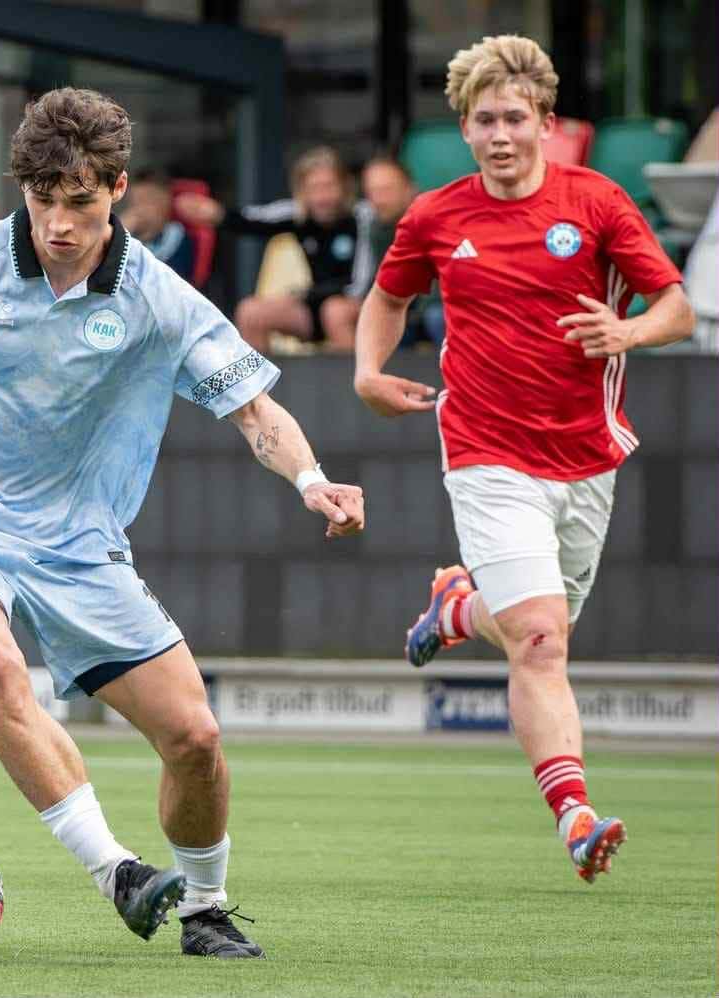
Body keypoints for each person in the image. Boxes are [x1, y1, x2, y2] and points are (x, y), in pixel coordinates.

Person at [0, 87, 364, 960]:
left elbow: (255, 412)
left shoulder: (160, 300)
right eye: (42, 200)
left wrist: (312, 479)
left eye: (79, 200)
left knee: (194, 738)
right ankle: (116, 870)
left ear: (118, 189)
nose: (58, 224)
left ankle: (205, 910)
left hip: (75, 545)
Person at [353, 35, 694, 884]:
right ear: (465, 129)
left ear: (546, 122)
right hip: (485, 450)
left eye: (514, 118)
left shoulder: (598, 201)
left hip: (586, 455)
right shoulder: (437, 216)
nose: (500, 135)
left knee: (538, 627)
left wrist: (629, 331)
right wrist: (367, 372)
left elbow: (677, 306)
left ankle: (457, 608)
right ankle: (575, 814)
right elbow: (388, 298)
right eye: (483, 121)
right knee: (540, 642)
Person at [180, 146, 370, 352]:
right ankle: (257, 375)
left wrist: (306, 294)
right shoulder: (298, 215)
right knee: (250, 312)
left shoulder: (362, 218)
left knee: (334, 312)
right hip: (315, 306)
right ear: (302, 192)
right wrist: (216, 214)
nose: (322, 197)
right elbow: (255, 220)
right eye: (314, 188)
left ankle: (356, 373)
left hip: (361, 307)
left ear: (344, 187)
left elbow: (360, 284)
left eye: (328, 186)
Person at [356, 156, 441, 349]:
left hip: (435, 306)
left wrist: (406, 313)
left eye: (386, 190)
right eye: (372, 192)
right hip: (403, 307)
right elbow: (381, 280)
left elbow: (441, 283)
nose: (379, 200)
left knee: (435, 316)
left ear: (410, 189)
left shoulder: (431, 219)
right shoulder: (376, 228)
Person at [119, 170, 196, 284]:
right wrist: (120, 234)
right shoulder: (128, 236)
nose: (138, 209)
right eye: (134, 203)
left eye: (145, 201)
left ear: (165, 202)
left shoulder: (178, 237)